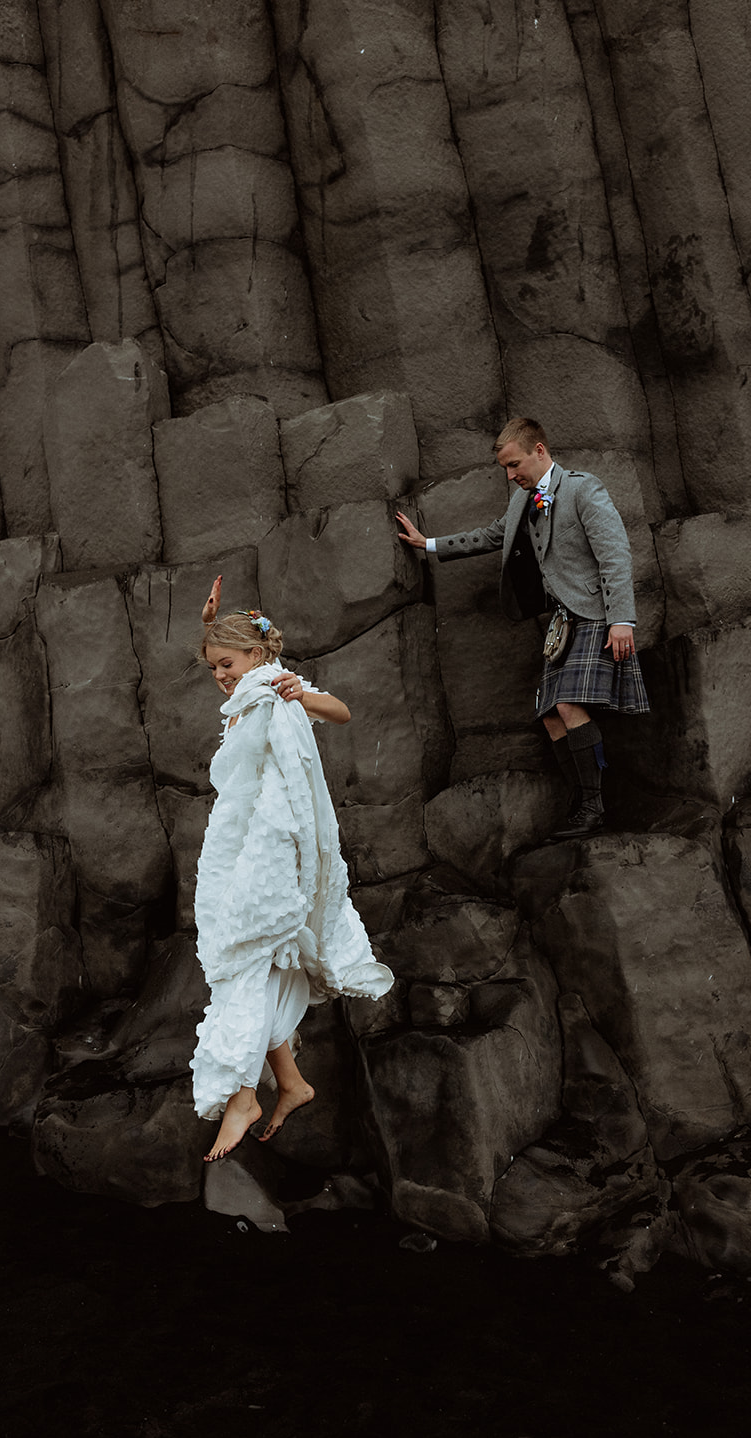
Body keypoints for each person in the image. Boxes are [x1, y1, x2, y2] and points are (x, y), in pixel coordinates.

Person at [191, 578, 393, 1161]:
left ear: (257, 656)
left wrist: (299, 694)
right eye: (212, 668)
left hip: (272, 843)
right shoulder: (248, 682)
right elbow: (234, 654)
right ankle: (292, 1083)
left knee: (248, 949)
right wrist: (210, 627)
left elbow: (343, 711)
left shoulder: (272, 686)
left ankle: (242, 1097)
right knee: (252, 953)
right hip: (238, 839)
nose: (221, 676)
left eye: (226, 663)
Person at [395, 417, 649, 839]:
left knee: (568, 707)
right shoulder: (522, 501)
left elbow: (615, 555)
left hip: (594, 614)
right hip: (562, 623)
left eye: (514, 465)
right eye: (505, 469)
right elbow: (490, 536)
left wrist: (622, 619)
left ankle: (594, 808)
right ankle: (580, 803)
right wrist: (430, 544)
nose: (510, 475)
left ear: (540, 451)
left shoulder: (584, 488)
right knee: (551, 716)